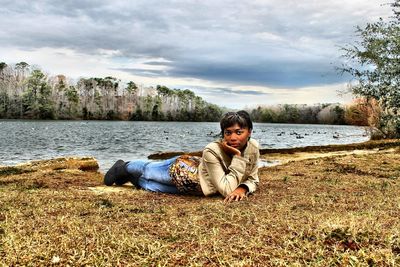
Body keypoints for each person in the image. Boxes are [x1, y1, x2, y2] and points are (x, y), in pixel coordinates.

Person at [104, 110, 260, 203]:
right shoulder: (212, 150)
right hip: (185, 170)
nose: (233, 138)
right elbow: (227, 189)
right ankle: (123, 166)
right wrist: (238, 156)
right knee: (149, 170)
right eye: (228, 132)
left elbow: (253, 178)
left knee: (151, 187)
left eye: (239, 132)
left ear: (250, 132)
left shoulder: (253, 147)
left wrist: (243, 188)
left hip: (199, 188)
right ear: (223, 133)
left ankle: (131, 178)